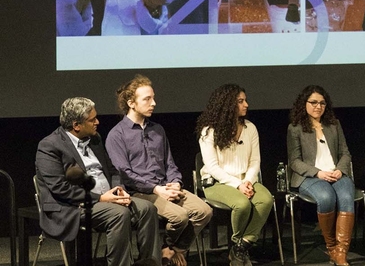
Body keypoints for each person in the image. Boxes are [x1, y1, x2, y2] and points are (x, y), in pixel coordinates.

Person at [35, 97, 159, 266]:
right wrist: (100, 198)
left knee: (147, 209)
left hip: (108, 198)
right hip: (72, 206)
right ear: (76, 125)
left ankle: (150, 263)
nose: (97, 122)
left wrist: (118, 188)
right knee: (118, 214)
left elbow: (113, 170)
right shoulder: (50, 146)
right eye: (92, 120)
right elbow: (60, 188)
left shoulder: (95, 139)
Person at [106, 75, 213, 266]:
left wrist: (176, 182)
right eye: (147, 99)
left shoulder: (158, 130)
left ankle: (170, 250)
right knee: (180, 217)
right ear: (131, 103)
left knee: (203, 211)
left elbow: (170, 163)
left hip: (165, 187)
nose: (153, 103)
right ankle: (166, 254)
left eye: (153, 98)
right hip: (139, 192)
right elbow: (125, 173)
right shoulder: (117, 135)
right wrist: (157, 189)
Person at [196, 84, 274, 266]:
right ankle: (237, 243)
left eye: (245, 100)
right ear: (227, 105)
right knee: (242, 204)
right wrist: (237, 184)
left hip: (245, 180)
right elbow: (212, 167)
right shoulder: (208, 131)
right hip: (216, 182)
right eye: (240, 101)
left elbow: (255, 162)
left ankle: (240, 247)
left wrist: (246, 181)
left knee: (266, 200)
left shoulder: (250, 128)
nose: (246, 104)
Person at [287, 85, 355, 266]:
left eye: (322, 103)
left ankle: (341, 253)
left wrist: (340, 169)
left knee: (347, 196)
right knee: (326, 197)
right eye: (314, 102)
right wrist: (319, 173)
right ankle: (331, 246)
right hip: (310, 177)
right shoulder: (295, 128)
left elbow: (345, 152)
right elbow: (294, 161)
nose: (318, 106)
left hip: (336, 172)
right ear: (304, 104)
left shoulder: (334, 125)